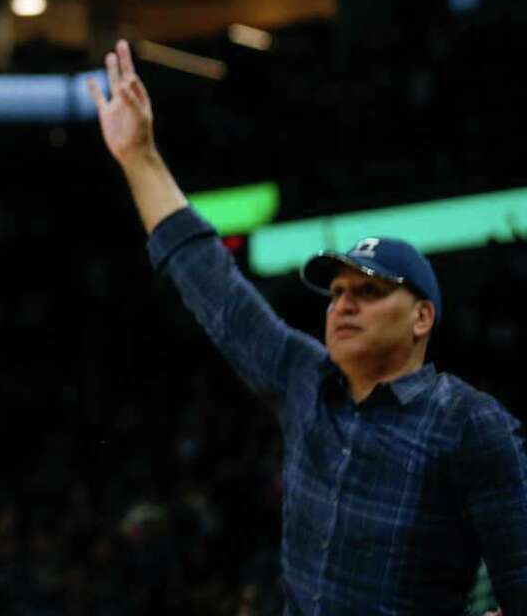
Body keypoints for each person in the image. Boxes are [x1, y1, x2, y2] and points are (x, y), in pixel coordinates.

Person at [88, 38, 527, 614]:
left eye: (369, 292)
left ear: (422, 317)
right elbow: (210, 278)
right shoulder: (304, 377)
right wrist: (139, 155)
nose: (343, 305)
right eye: (337, 293)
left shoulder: (469, 424)